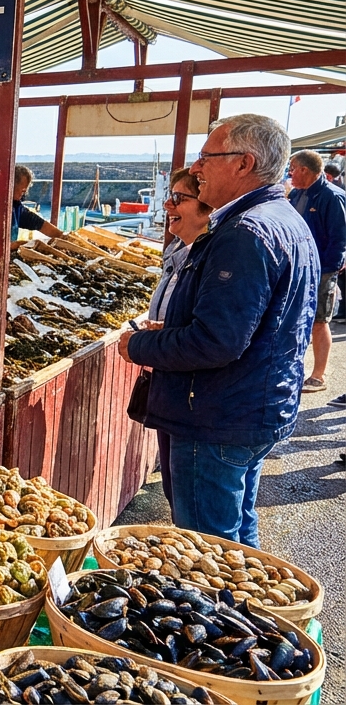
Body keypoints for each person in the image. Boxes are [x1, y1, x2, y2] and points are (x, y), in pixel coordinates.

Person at [120, 114, 316, 546]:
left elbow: (216, 341)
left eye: (207, 157)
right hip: (254, 406)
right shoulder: (284, 219)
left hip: (217, 415)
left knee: (207, 546)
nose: (196, 168)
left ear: (244, 164)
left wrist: (140, 345)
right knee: (237, 534)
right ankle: (252, 590)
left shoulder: (244, 233)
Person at [141, 168, 212, 507]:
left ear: (207, 205)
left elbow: (210, 336)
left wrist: (148, 342)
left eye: (179, 198)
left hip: (195, 400)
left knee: (195, 507)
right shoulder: (179, 251)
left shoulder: (210, 256)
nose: (167, 205)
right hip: (174, 388)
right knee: (178, 491)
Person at [286, 150, 346, 392]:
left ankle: (318, 376)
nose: (290, 173)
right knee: (296, 318)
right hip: (298, 267)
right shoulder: (296, 194)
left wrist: (329, 270)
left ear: (304, 170)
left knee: (319, 321)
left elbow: (339, 238)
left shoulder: (332, 196)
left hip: (322, 269)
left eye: (292, 168)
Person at [0, 165, 63, 259]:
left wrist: (62, 236)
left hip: (5, 255)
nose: (24, 193)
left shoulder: (14, 205)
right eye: (23, 191)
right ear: (10, 185)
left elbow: (38, 223)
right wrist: (14, 245)